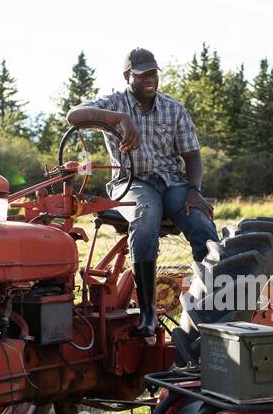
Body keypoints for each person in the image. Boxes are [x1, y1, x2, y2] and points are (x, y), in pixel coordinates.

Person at [67, 48, 218, 338]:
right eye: (142, 74)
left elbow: (192, 156)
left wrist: (194, 190)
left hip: (171, 182)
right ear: (128, 76)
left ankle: (213, 305)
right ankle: (148, 313)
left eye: (153, 73)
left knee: (200, 223)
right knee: (145, 215)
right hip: (131, 182)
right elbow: (74, 115)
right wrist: (118, 119)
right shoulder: (114, 102)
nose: (150, 79)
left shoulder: (174, 109)